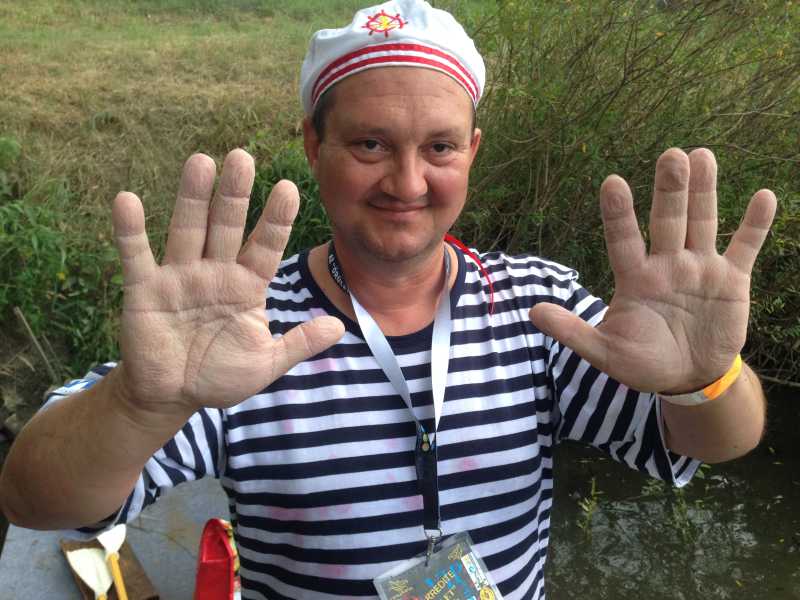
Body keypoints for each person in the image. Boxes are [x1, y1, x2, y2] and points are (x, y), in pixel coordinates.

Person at [0, 1, 776, 598]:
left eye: (439, 147)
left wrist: (703, 378)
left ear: (471, 151)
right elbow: (34, 499)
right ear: (314, 145)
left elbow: (713, 441)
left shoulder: (538, 308)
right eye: (370, 144)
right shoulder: (237, 335)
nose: (407, 183)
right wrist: (138, 406)